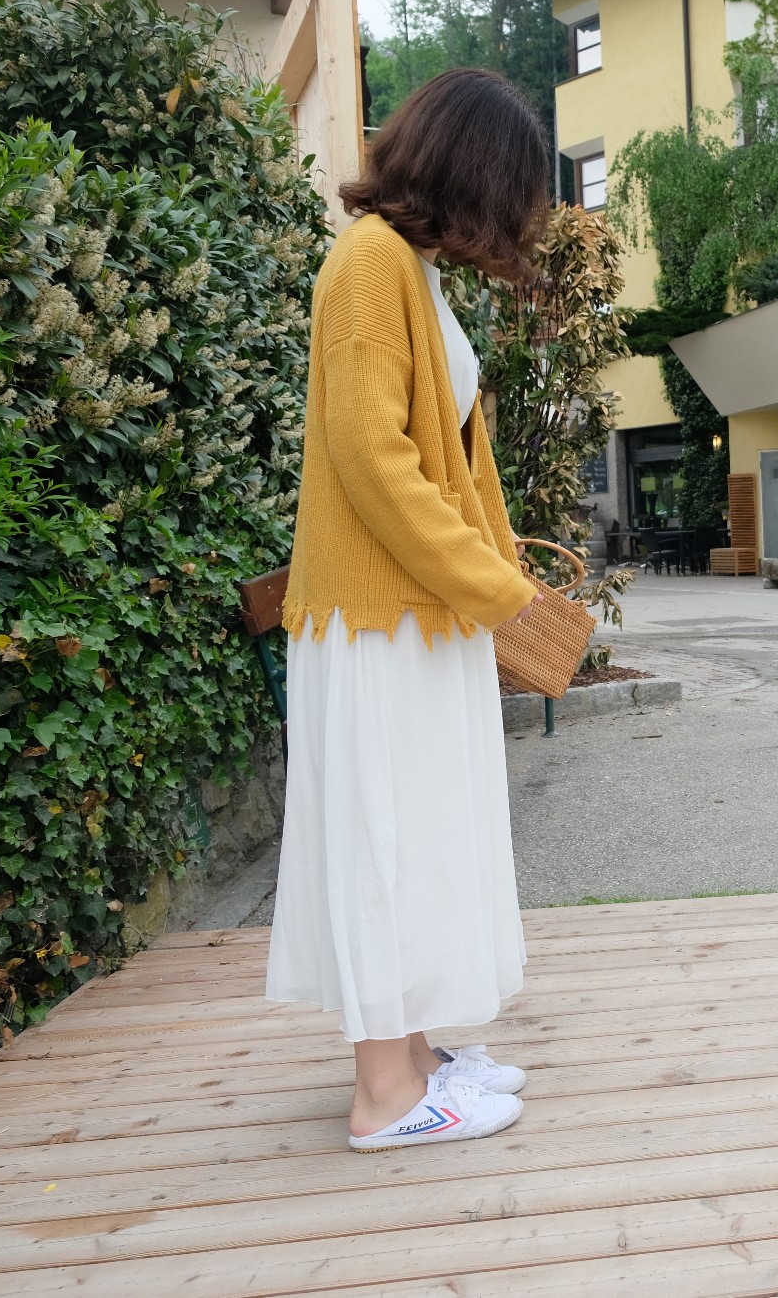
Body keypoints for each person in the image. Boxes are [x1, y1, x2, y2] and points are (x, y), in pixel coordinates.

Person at [266, 69, 548, 1151]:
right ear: (473, 171)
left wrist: (492, 571)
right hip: (384, 617)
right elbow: (370, 455)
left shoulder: (407, 267)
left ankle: (415, 1056)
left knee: (414, 832)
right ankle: (385, 1096)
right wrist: (492, 590)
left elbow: (446, 455)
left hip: (413, 614)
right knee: (388, 836)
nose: (515, 219)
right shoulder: (371, 263)